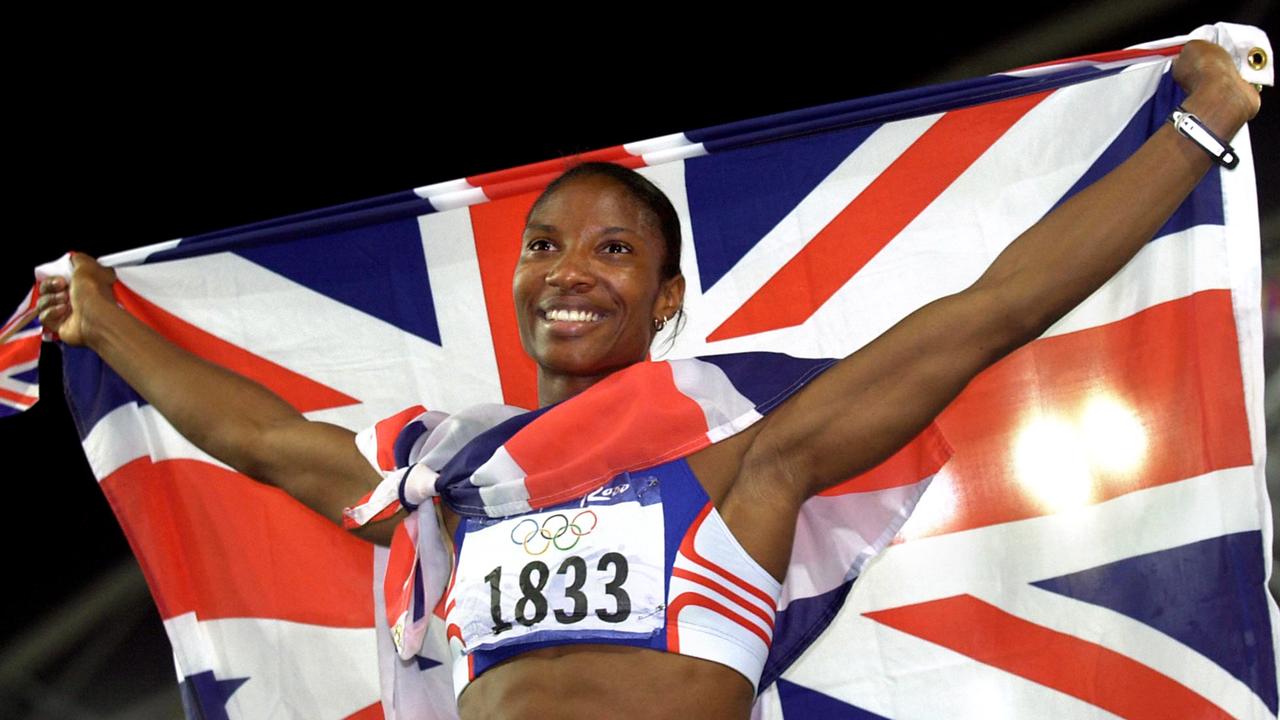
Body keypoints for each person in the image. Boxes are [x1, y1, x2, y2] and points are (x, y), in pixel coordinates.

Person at [36, 41, 1261, 720]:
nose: (568, 271)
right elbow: (255, 439)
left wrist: (1195, 130)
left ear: (668, 300)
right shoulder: (442, 487)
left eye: (614, 249)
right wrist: (104, 325)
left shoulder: (750, 464)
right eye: (545, 245)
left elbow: (990, 313)